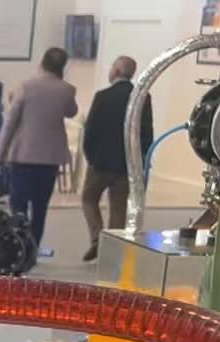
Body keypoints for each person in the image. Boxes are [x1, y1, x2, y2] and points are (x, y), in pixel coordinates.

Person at [0, 46, 78, 251]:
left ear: (42, 62)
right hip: (50, 158)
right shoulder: (67, 89)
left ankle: (18, 247)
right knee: (40, 207)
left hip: (22, 156)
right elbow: (71, 112)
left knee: (18, 205)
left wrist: (0, 154)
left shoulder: (24, 87)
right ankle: (33, 248)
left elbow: (9, 124)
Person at [79, 55, 154, 261]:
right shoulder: (142, 97)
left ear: (117, 71)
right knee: (119, 207)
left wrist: (90, 156)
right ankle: (112, 249)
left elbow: (90, 129)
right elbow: (146, 131)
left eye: (112, 66)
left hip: (100, 163)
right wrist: (141, 160)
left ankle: (97, 237)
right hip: (127, 164)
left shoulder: (102, 96)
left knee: (88, 198)